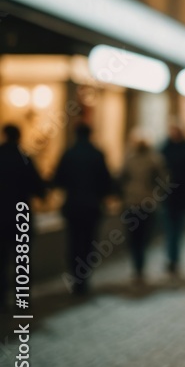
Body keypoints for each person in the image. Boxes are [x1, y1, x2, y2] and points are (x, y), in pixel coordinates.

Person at [53, 123, 113, 295]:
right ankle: (83, 277)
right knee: (88, 242)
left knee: (73, 241)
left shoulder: (69, 154)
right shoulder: (97, 155)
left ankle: (75, 277)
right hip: (92, 207)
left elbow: (58, 179)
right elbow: (106, 183)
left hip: (73, 206)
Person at [0, 125, 46, 310]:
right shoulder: (24, 158)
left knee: (1, 260)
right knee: (22, 260)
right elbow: (38, 187)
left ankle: (1, 299)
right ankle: (22, 298)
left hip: (1, 217)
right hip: (21, 217)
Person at [118, 130, 169, 284]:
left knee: (134, 237)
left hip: (131, 203)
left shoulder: (130, 160)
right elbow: (164, 181)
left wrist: (124, 195)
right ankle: (140, 266)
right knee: (144, 236)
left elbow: (121, 179)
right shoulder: (155, 160)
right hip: (147, 204)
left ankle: (137, 267)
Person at [160, 124, 185, 278]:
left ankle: (174, 258)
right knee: (170, 229)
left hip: (182, 195)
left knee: (177, 229)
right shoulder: (164, 149)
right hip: (168, 196)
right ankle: (172, 258)